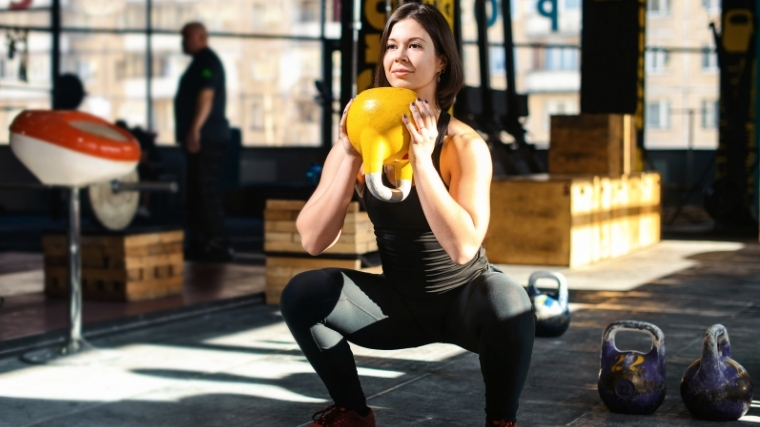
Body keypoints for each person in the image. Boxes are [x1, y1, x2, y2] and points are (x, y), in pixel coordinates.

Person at [279, 4, 534, 427]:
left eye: (416, 45)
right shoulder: (361, 140)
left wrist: (423, 157)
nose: (400, 55)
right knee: (302, 293)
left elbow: (463, 247)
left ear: (441, 62)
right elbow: (312, 240)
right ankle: (354, 412)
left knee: (510, 301)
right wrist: (346, 151)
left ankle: (501, 420)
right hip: (396, 306)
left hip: (464, 303)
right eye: (392, 45)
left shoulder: (464, 145)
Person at [174, 22, 233, 262]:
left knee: (206, 191)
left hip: (207, 138)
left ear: (200, 37)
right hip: (203, 138)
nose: (182, 42)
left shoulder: (208, 62)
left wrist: (194, 131)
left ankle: (219, 244)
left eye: (186, 36)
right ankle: (201, 243)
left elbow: (206, 97)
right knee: (196, 193)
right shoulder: (200, 63)